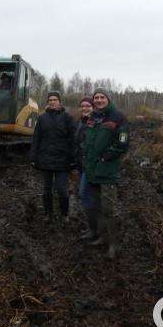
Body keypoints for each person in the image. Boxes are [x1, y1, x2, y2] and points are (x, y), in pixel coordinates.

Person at [81, 87, 130, 259]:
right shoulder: (92, 118)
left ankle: (114, 246)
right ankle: (102, 238)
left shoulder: (118, 117)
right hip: (92, 171)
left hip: (107, 171)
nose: (99, 100)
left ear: (108, 99)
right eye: (97, 97)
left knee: (109, 209)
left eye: (102, 97)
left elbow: (122, 144)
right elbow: (86, 142)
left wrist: (105, 157)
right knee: (97, 207)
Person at [30, 91, 76, 224]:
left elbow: (73, 140)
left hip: (63, 160)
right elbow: (36, 139)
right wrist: (33, 157)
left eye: (55, 99)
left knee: (62, 188)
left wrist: (73, 159)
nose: (52, 102)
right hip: (45, 159)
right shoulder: (42, 118)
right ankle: (48, 213)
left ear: (60, 102)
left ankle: (65, 214)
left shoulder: (67, 118)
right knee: (46, 189)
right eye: (50, 100)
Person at [74, 96, 99, 241]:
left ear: (93, 107)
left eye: (87, 105)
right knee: (87, 197)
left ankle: (95, 229)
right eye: (82, 106)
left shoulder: (94, 122)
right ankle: (93, 228)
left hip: (91, 166)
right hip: (82, 165)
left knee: (86, 195)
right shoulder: (81, 122)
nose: (84, 108)